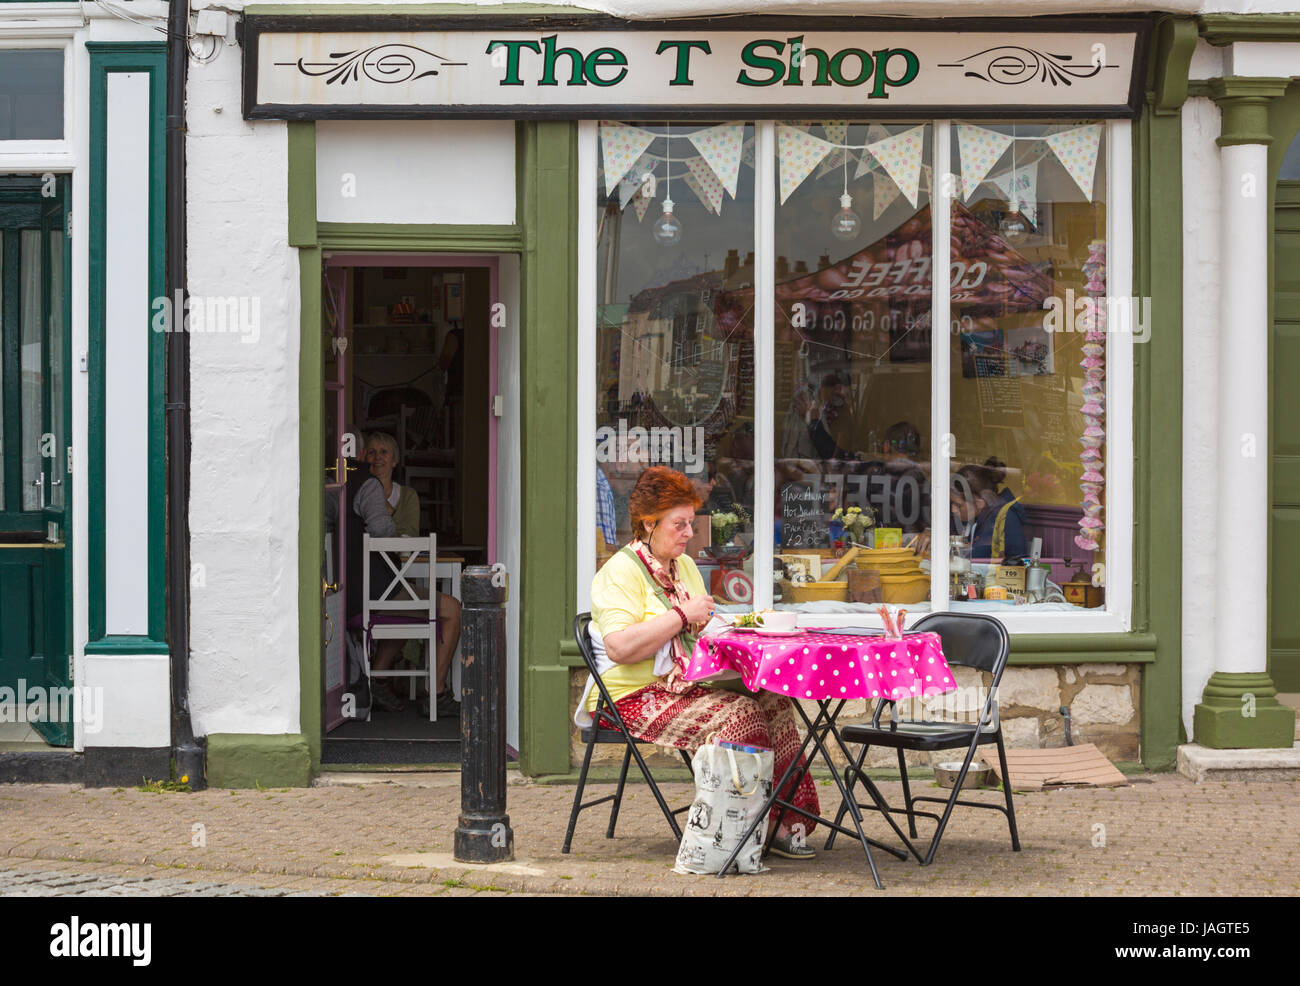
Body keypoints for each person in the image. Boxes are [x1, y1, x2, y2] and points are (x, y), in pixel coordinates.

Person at [577, 466, 820, 859]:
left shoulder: (684, 566)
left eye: (691, 522)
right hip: (632, 694)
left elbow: (695, 628)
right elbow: (620, 648)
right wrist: (682, 616)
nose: (690, 533)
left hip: (685, 682)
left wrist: (713, 624)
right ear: (648, 522)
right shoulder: (618, 572)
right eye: (680, 524)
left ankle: (787, 815)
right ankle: (748, 826)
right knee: (740, 714)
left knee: (775, 699)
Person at [344, 433, 463, 716]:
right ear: (361, 456)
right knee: (451, 609)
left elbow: (407, 531)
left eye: (384, 452)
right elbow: (388, 533)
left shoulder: (347, 487)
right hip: (378, 586)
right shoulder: (367, 487)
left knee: (410, 601)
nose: (376, 457)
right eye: (371, 451)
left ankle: (380, 678)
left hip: (355, 590)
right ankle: (436, 692)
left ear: (395, 460)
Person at [951, 458, 1028, 563]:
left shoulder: (1005, 519)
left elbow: (1019, 563)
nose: (953, 510)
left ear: (979, 504)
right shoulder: (975, 517)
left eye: (958, 505)